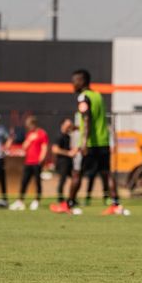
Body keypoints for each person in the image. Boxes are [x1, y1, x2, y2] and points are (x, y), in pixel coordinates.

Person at [50, 69, 123, 216]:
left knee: (77, 173)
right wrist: (77, 128)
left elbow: (87, 119)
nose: (72, 85)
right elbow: (94, 121)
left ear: (82, 81)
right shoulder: (98, 96)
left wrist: (83, 144)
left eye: (74, 81)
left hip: (90, 144)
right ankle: (116, 205)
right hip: (103, 142)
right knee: (107, 174)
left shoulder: (83, 97)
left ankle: (69, 204)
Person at [11, 116, 49, 211]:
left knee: (37, 182)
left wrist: (41, 159)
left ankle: (37, 201)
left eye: (30, 125)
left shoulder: (42, 133)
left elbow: (44, 147)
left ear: (34, 124)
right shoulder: (30, 134)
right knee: (24, 181)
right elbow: (24, 147)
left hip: (37, 162)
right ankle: (20, 201)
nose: (29, 127)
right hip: (28, 162)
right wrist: (30, 139)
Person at [52, 118, 76, 201]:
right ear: (62, 125)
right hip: (62, 162)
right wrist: (68, 153)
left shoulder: (68, 136)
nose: (69, 127)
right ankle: (60, 199)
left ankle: (72, 198)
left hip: (69, 161)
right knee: (63, 180)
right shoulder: (59, 136)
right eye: (67, 125)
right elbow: (55, 149)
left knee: (75, 178)